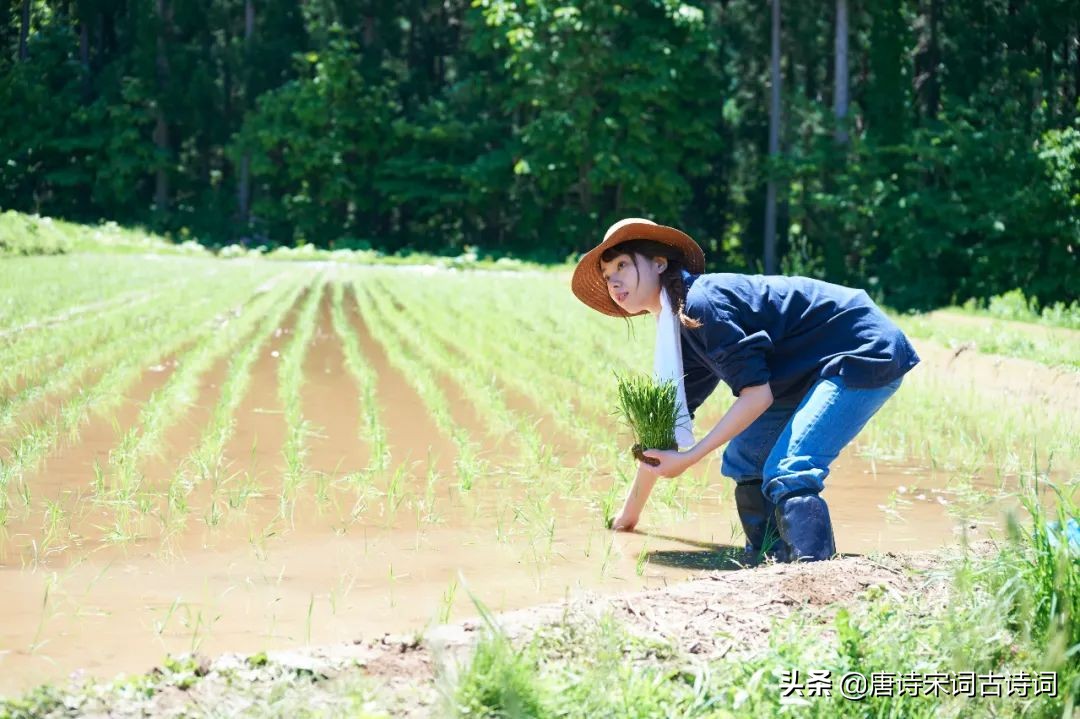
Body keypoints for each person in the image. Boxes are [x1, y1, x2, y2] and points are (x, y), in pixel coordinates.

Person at [571, 218, 920, 562]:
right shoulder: (680, 332)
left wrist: (689, 459)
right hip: (804, 371)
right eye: (606, 274)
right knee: (744, 459)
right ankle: (770, 558)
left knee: (790, 467)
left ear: (659, 263)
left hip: (861, 349)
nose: (613, 280)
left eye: (621, 265)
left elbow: (757, 395)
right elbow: (662, 439)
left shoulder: (702, 305)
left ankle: (815, 572)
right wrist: (629, 517)